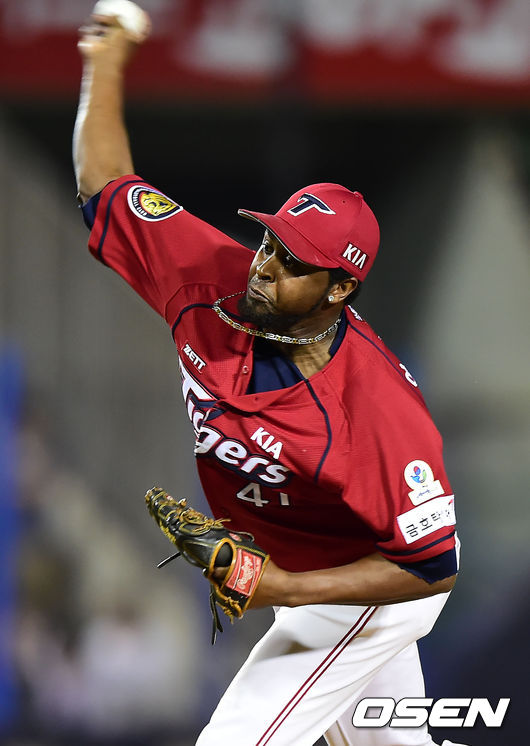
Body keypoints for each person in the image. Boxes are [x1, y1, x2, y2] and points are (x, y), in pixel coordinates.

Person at [73, 12, 468, 746]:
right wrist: (107, 59)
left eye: (294, 262)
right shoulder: (209, 280)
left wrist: (287, 589)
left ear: (340, 288)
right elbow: (107, 187)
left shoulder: (374, 409)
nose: (265, 264)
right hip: (309, 572)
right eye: (270, 241)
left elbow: (433, 565)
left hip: (368, 586)